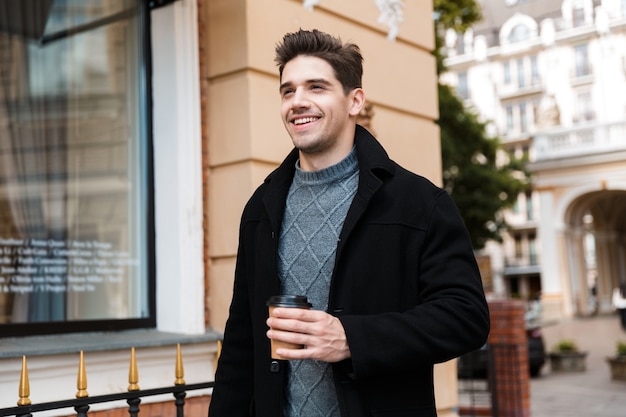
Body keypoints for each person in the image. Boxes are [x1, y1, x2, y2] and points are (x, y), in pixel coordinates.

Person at [208, 29, 490, 417]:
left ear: (354, 100)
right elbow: (242, 341)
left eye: (316, 87)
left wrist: (352, 339)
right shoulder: (261, 207)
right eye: (288, 91)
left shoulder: (419, 203)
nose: (298, 101)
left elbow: (466, 318)